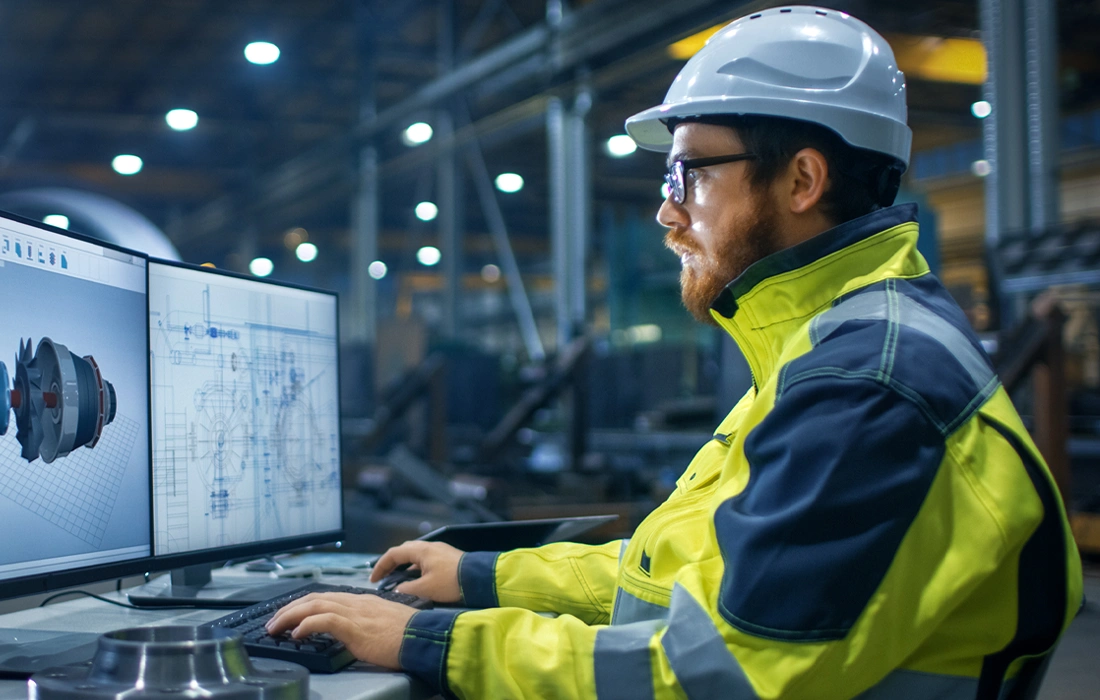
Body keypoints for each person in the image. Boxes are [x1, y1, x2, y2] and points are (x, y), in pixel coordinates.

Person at [268, 6, 1083, 698]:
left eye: (687, 175)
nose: (667, 214)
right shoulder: (826, 345)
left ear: (801, 181)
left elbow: (722, 670)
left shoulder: (868, 381)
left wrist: (431, 643)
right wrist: (481, 578)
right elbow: (681, 574)